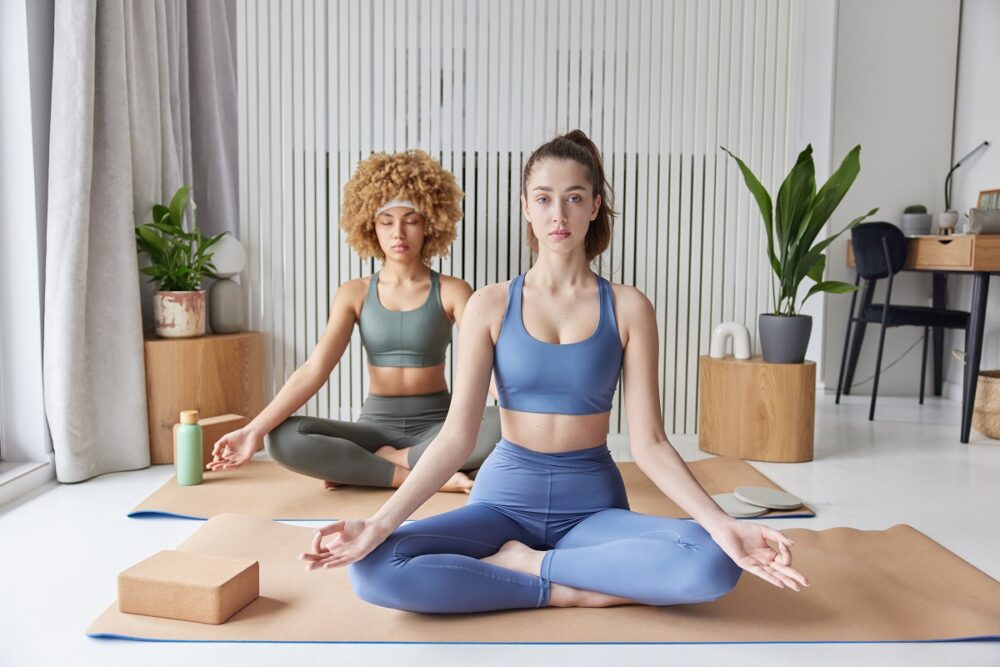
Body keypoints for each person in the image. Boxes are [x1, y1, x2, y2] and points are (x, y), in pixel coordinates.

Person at [299, 131, 809, 612]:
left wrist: (723, 524)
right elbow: (456, 438)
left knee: (715, 559)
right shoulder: (490, 305)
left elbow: (651, 442)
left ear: (594, 207)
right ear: (525, 207)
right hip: (501, 503)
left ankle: (531, 568)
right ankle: (576, 590)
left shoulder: (630, 307)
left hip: (592, 506)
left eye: (573, 197)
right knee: (374, 568)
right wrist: (379, 523)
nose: (558, 213)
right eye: (543, 198)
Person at [208, 150, 501, 493]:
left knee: (500, 423)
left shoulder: (453, 290)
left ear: (430, 223)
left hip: (440, 426)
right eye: (386, 221)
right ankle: (421, 476)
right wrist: (253, 430)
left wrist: (526, 407)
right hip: (372, 430)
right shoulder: (353, 293)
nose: (398, 232)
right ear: (369, 225)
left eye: (411, 219)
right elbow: (314, 368)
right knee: (282, 438)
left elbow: (486, 366)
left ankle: (382, 463)